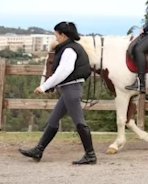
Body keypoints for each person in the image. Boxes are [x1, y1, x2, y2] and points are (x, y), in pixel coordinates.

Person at [18, 22, 97, 165]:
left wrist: (45, 86)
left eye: (56, 35)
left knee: (80, 122)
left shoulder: (69, 50)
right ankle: (39, 150)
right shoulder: (70, 48)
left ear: (63, 35)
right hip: (68, 90)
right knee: (53, 120)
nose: (55, 39)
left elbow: (63, 71)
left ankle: (90, 154)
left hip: (71, 90)